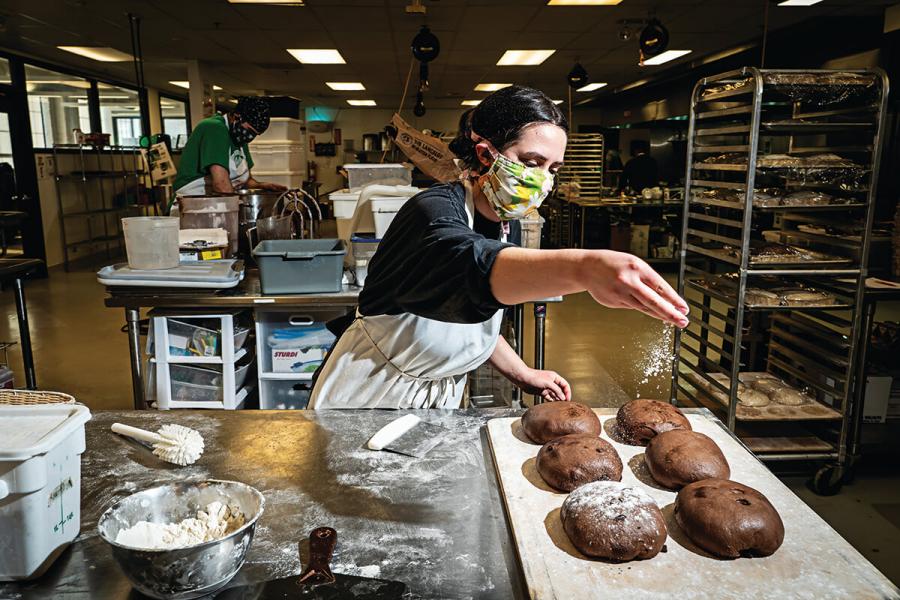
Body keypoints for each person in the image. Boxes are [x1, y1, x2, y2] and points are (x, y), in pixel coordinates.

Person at [310, 85, 688, 410]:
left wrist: (522, 372)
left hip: (438, 398)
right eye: (531, 162)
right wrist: (586, 269)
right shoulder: (432, 212)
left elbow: (468, 316)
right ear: (485, 154)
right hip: (369, 394)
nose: (542, 180)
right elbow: (472, 269)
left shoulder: (509, 225)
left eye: (553, 169)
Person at [172, 96, 287, 198]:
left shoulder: (239, 136)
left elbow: (244, 181)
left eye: (255, 134)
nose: (250, 137)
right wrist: (240, 207)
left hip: (216, 202)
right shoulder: (214, 128)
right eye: (250, 131)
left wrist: (261, 186)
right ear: (236, 117)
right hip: (193, 204)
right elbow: (221, 185)